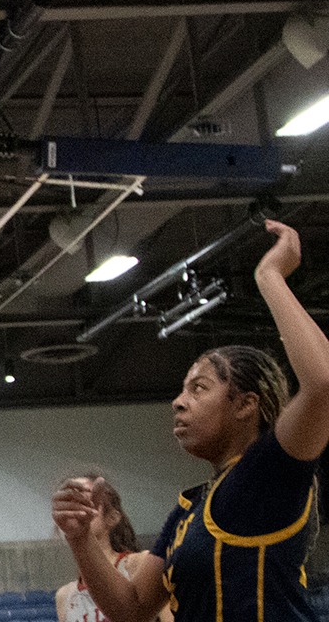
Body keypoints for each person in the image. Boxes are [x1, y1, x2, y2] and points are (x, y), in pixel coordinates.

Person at [54, 219, 326, 622]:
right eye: (182, 390)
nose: (178, 403)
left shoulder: (266, 473)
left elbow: (321, 383)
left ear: (245, 405)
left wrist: (268, 275)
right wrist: (80, 540)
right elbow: (130, 609)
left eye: (198, 388)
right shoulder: (188, 510)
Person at [52, 477, 168, 622]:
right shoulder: (64, 595)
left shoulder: (139, 563)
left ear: (112, 517)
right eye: (68, 502)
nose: (74, 510)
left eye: (83, 501)